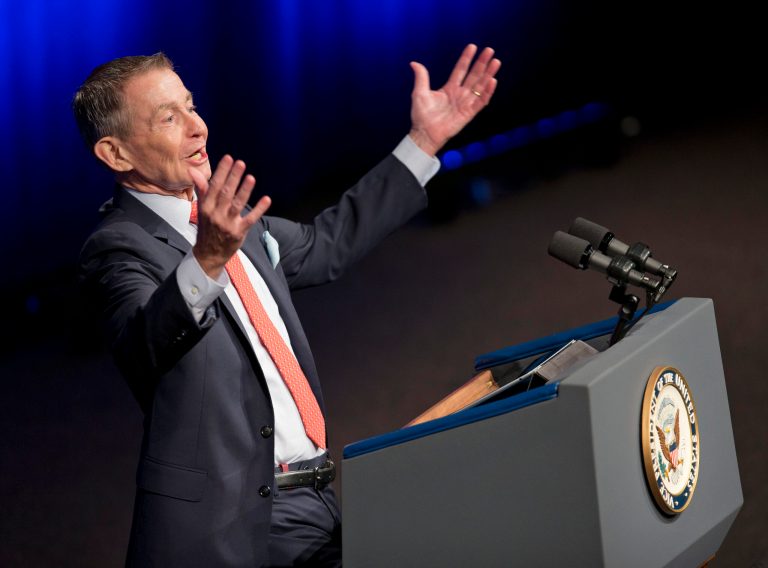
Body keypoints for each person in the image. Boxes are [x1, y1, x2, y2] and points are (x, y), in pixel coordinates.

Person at [76, 44, 499, 567]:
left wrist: (424, 141)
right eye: (168, 117)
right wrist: (207, 258)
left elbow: (330, 241)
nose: (197, 127)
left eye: (190, 104)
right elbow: (145, 346)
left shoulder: (228, 217)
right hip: (232, 524)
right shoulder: (119, 245)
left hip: (316, 494)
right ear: (115, 154)